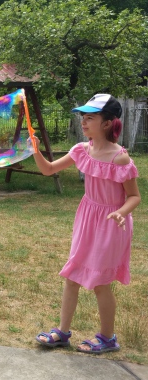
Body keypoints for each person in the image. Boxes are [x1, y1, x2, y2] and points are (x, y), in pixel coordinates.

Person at [33, 94, 141, 353]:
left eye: (90, 117)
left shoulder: (120, 159)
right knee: (72, 275)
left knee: (100, 283)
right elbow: (48, 169)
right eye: (83, 116)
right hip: (87, 218)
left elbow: (134, 196)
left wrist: (121, 213)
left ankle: (108, 338)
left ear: (107, 123)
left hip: (112, 225)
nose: (83, 121)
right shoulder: (81, 150)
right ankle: (62, 332)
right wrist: (35, 150)